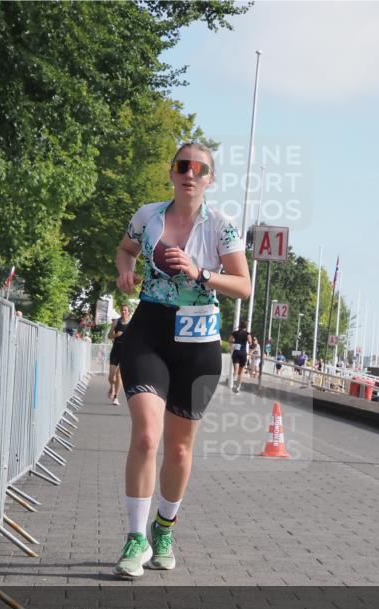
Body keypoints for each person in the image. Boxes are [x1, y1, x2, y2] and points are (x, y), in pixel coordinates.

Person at [113, 141, 251, 579]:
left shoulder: (222, 227)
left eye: (200, 168)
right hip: (150, 330)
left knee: (177, 448)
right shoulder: (147, 215)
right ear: (172, 172)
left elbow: (244, 287)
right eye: (182, 166)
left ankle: (164, 528)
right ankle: (135, 538)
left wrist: (200, 273)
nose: (190, 173)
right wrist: (124, 272)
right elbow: (125, 250)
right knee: (147, 437)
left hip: (198, 341)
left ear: (210, 179)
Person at [107, 304, 131, 405]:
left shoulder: (132, 323)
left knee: (119, 374)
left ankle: (116, 397)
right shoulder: (116, 322)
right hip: (116, 350)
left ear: (129, 312)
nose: (123, 312)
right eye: (122, 310)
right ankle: (112, 386)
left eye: (125, 310)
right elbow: (109, 335)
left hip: (126, 351)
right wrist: (116, 335)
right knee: (111, 377)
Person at [229, 322, 251, 392]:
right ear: (245, 327)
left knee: (235, 370)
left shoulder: (235, 333)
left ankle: (234, 385)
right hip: (243, 353)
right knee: (241, 372)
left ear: (239, 326)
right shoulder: (247, 334)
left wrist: (235, 342)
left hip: (236, 352)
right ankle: (238, 387)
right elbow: (250, 342)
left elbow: (230, 340)